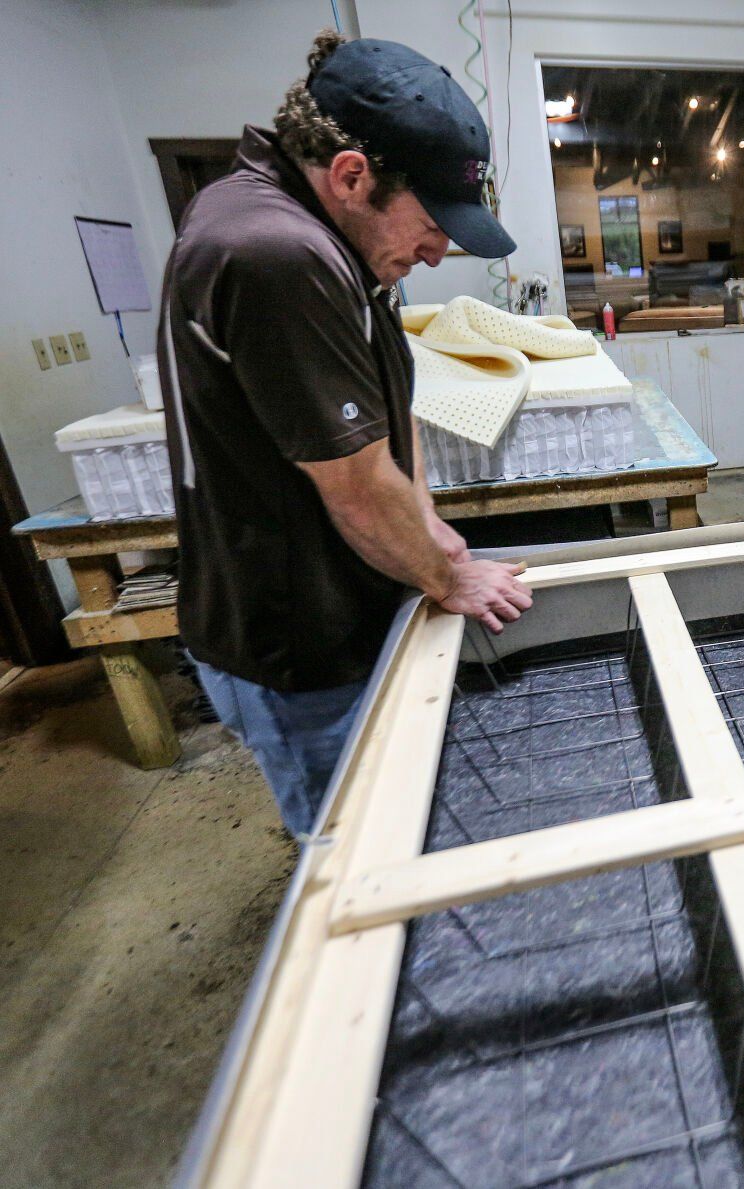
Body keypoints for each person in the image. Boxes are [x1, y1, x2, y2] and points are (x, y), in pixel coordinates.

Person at [157, 30, 531, 837]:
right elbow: (356, 484)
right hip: (300, 642)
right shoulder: (275, 254)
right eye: (433, 222)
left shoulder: (333, 239)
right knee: (355, 848)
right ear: (353, 175)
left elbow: (390, 412)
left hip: (342, 605)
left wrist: (432, 535)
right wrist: (449, 578)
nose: (438, 251)